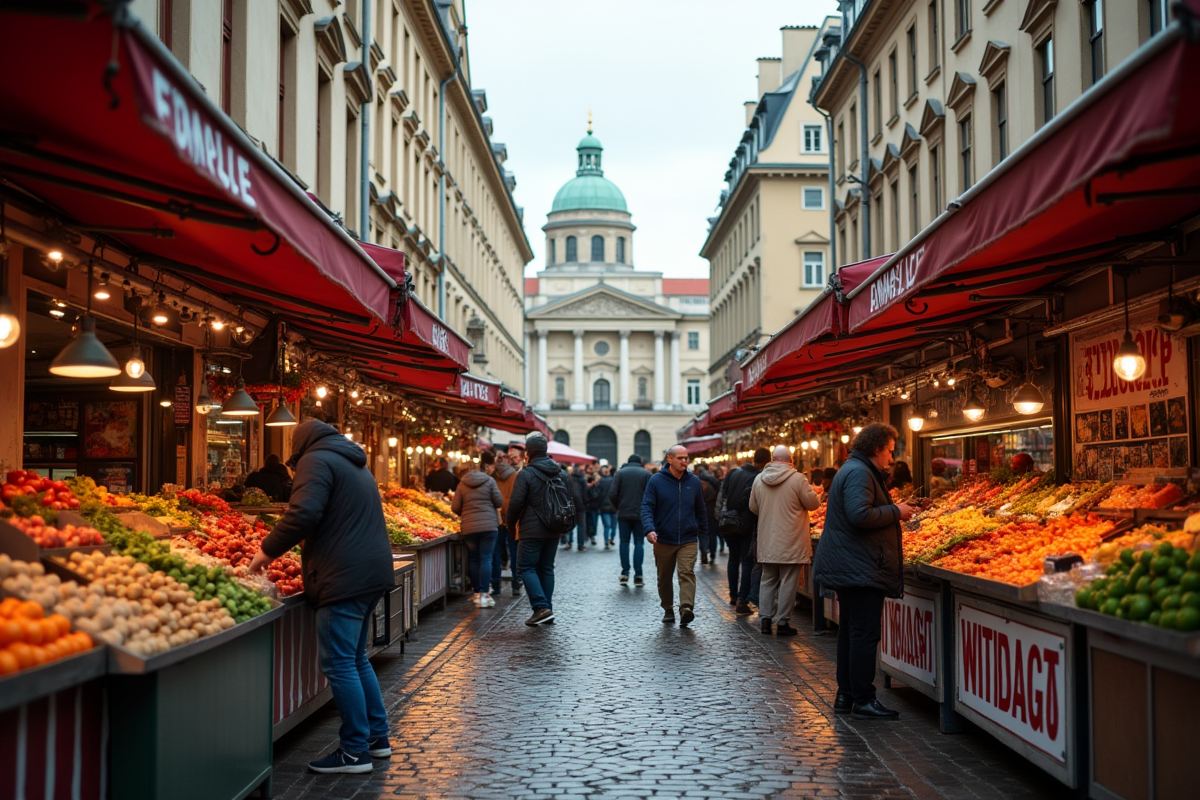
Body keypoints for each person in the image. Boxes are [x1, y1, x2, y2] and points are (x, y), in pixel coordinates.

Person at [248, 419, 394, 773]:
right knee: (356, 659)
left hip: (343, 575)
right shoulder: (352, 461)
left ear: (300, 447)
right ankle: (377, 738)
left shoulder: (317, 460)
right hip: (369, 571)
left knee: (340, 662)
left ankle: (354, 752)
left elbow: (304, 512)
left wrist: (266, 551)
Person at [812, 423, 915, 721]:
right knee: (864, 634)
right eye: (890, 452)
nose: (891, 459)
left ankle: (846, 694)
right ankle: (863, 699)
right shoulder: (859, 472)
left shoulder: (854, 469)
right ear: (877, 449)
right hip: (859, 566)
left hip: (852, 564)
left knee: (851, 632)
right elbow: (859, 514)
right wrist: (897, 511)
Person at [750, 446, 820, 636]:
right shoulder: (798, 479)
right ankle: (782, 622)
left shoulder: (759, 479)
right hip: (792, 539)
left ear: (773, 459)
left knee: (768, 579)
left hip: (767, 539)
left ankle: (765, 619)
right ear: (791, 460)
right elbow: (813, 504)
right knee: (789, 581)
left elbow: (753, 506)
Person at [642, 445, 708, 626]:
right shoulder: (656, 481)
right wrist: (649, 529)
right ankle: (668, 608)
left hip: (688, 538)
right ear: (669, 459)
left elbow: (701, 510)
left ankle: (686, 608)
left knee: (686, 572)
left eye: (686, 458)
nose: (684, 461)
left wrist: (704, 538)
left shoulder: (693, 481)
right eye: (680, 458)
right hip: (663, 538)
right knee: (664, 577)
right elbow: (647, 506)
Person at [506, 434, 562, 626]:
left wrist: (511, 524)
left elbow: (515, 504)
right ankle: (548, 610)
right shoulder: (560, 472)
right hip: (554, 527)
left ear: (528, 453)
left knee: (526, 568)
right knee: (546, 568)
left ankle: (540, 607)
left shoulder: (526, 474)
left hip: (531, 529)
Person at [452, 452, 503, 608]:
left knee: (474, 559)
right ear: (482, 469)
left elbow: (455, 507)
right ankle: (485, 595)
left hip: (469, 527)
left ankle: (476, 593)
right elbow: (499, 501)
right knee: (486, 558)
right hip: (489, 526)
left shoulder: (462, 483)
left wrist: (466, 514)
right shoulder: (490, 481)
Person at [723, 448, 770, 615]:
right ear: (766, 462)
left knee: (733, 559)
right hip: (746, 525)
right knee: (747, 560)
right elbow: (747, 502)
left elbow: (723, 495)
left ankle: (733, 595)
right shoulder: (757, 477)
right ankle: (743, 599)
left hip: (729, 523)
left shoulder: (733, 472)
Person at [610, 454, 652, 585]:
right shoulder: (646, 474)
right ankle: (638, 574)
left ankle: (625, 572)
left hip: (624, 513)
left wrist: (618, 506)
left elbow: (612, 493)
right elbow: (652, 494)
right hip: (641, 514)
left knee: (624, 542)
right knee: (639, 542)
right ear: (640, 463)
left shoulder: (620, 473)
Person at [491, 447, 522, 597]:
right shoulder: (516, 476)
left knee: (496, 552)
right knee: (514, 552)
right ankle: (516, 584)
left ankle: (496, 585)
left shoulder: (492, 476)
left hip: (496, 518)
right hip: (512, 518)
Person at [694, 464, 719, 565]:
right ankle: (712, 553)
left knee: (702, 534)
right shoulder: (713, 484)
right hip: (712, 512)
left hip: (701, 513)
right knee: (712, 534)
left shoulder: (697, 484)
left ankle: (703, 553)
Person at [566, 465, 588, 551]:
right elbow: (585, 492)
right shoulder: (582, 479)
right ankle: (581, 544)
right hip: (581, 505)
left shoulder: (567, 479)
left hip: (570, 505)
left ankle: (569, 543)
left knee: (570, 524)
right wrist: (585, 503)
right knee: (581, 525)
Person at [598, 465, 617, 548]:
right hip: (613, 506)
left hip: (604, 506)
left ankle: (606, 540)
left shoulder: (600, 481)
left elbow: (597, 495)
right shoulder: (614, 480)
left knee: (606, 525)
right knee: (613, 525)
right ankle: (611, 538)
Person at [584, 472, 603, 548]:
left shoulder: (597, 487)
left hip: (593, 507)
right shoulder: (591, 487)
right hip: (591, 507)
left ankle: (591, 535)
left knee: (592, 522)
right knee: (591, 522)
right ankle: (591, 535)